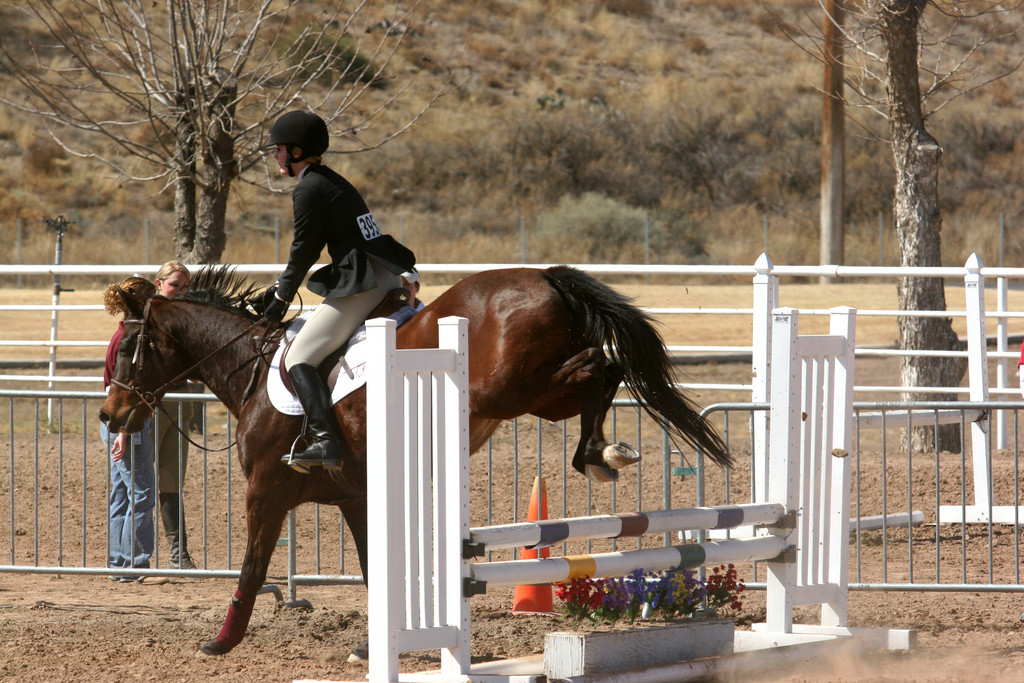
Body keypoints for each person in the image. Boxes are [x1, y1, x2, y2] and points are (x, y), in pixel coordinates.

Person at [262, 110, 416, 473]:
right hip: (383, 275)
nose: (276, 156)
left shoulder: (309, 188)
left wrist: (283, 294)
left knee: (299, 357)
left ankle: (324, 440)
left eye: (279, 149)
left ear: (296, 151)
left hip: (364, 284)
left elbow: (305, 249)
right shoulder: (331, 180)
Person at [102, 276, 165, 583]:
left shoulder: (121, 336)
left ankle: (119, 562)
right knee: (141, 493)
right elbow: (124, 389)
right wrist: (126, 432)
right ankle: (135, 562)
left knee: (122, 495)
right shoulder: (129, 340)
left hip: (119, 422)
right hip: (126, 423)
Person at [152, 260, 198, 570]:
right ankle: (129, 555)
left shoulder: (190, 318)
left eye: (184, 287)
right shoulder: (147, 318)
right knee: (138, 481)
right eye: (174, 285)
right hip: (151, 405)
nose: (180, 292)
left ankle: (178, 555)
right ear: (159, 285)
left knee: (171, 480)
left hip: (181, 404)